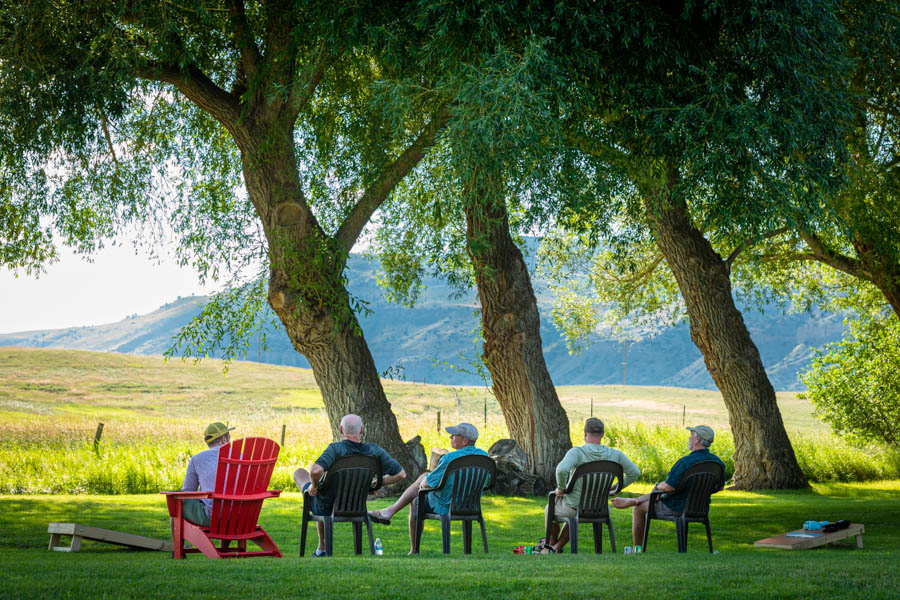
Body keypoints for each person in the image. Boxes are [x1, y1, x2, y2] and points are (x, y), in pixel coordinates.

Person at [293, 414, 406, 557]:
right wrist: (373, 485)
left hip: (327, 507)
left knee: (300, 473)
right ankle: (322, 547)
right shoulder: (374, 450)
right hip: (357, 506)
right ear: (362, 430)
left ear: (340, 430)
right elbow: (401, 474)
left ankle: (322, 548)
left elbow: (315, 471)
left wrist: (314, 486)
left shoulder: (335, 449)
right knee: (321, 487)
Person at [367, 422, 488, 554]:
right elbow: (487, 482)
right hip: (470, 505)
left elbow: (428, 484)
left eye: (454, 435)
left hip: (445, 505)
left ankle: (413, 549)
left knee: (417, 497)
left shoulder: (450, 458)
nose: (450, 437)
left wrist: (424, 480)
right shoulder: (484, 457)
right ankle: (389, 512)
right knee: (424, 480)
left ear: (465, 440)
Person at [612, 425, 726, 546]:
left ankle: (637, 550)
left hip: (676, 507)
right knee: (656, 493)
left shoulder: (685, 462)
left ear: (697, 439)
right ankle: (635, 500)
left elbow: (669, 487)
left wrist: (657, 485)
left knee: (639, 508)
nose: (689, 438)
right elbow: (719, 487)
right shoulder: (718, 463)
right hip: (701, 509)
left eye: (691, 435)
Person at [539, 417, 641, 553]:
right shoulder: (615, 455)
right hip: (600, 508)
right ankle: (556, 548)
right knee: (573, 514)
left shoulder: (578, 452)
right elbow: (635, 472)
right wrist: (616, 488)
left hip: (575, 506)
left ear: (585, 434)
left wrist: (561, 488)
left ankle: (551, 544)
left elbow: (561, 470)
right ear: (603, 434)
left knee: (549, 508)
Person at [180, 421, 235, 527]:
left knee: (176, 506)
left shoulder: (197, 459)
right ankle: (224, 543)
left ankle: (177, 544)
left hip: (213, 518)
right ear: (224, 439)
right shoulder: (243, 457)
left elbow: (187, 492)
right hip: (241, 517)